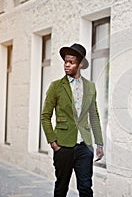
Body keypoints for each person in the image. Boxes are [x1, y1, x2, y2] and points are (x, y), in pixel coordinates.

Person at [41, 43, 104, 197]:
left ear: (80, 64)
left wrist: (99, 143)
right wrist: (53, 143)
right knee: (61, 187)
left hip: (85, 146)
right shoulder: (56, 86)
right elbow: (45, 116)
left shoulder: (90, 87)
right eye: (65, 62)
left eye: (71, 62)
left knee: (85, 188)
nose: (67, 65)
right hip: (63, 146)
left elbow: (94, 115)